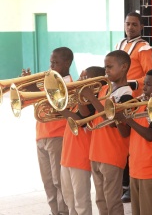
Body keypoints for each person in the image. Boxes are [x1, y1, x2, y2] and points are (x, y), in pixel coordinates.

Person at [79, 50, 133, 215]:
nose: (106, 70)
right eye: (105, 67)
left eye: (110, 67)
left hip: (112, 154)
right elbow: (86, 115)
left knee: (112, 201)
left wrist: (92, 98)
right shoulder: (104, 89)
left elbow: (112, 122)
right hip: (96, 152)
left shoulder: (127, 94)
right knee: (101, 200)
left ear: (123, 67)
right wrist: (81, 94)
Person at [21, 47, 73, 215]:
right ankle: (54, 211)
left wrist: (34, 90)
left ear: (67, 63)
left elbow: (58, 105)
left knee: (59, 181)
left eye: (55, 63)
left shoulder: (70, 84)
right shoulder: (48, 82)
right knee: (48, 182)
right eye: (51, 62)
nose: (51, 66)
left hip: (58, 136)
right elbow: (33, 101)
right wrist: (28, 87)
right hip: (41, 136)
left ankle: (64, 212)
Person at [114, 68, 152, 215]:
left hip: (150, 168)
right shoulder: (139, 105)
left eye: (148, 84)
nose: (143, 88)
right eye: (144, 84)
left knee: (150, 210)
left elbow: (151, 135)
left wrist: (128, 120)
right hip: (135, 167)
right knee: (137, 211)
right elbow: (126, 133)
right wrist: (118, 120)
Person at [116, 11, 152, 202]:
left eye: (134, 24)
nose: (130, 27)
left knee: (131, 142)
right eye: (127, 24)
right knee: (121, 140)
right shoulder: (120, 44)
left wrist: (133, 84)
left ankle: (130, 186)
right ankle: (123, 183)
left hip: (133, 99)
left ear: (141, 27)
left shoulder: (144, 47)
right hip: (118, 95)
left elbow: (150, 75)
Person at [59, 66, 106, 215]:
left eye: (83, 78)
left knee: (81, 202)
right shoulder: (77, 100)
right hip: (66, 157)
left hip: (80, 158)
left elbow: (81, 120)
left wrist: (62, 109)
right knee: (69, 200)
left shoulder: (92, 102)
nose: (79, 80)